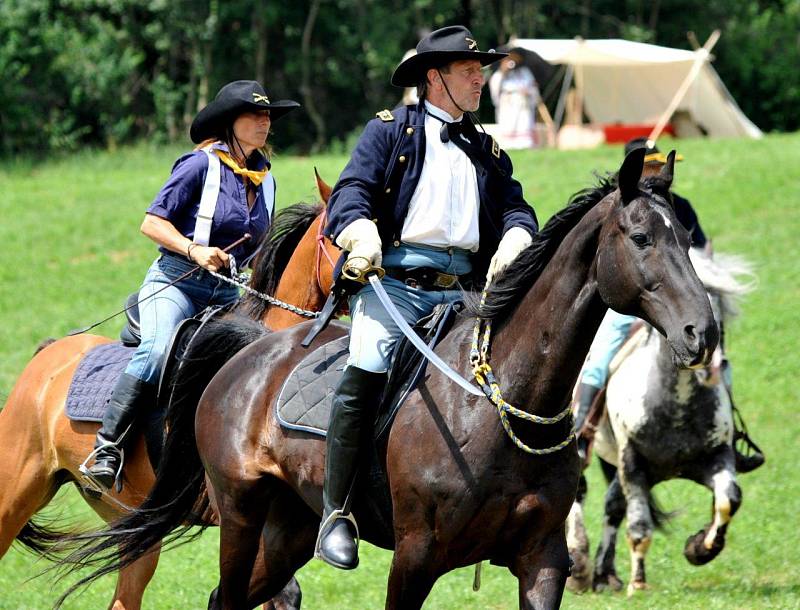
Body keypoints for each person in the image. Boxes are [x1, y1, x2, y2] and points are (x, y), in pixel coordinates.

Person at [316, 25, 539, 570]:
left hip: (464, 294)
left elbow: (517, 207)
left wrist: (516, 235)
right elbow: (350, 193)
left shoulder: (486, 147)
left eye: (480, 69)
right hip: (394, 287)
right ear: (435, 77)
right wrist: (360, 233)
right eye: (470, 71)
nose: (480, 79)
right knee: (365, 368)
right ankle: (335, 511)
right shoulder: (388, 131)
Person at [83, 80, 300, 491]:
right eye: (254, 114)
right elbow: (151, 223)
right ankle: (107, 446)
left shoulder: (266, 179)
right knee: (158, 348)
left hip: (225, 294)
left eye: (268, 115)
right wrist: (194, 250)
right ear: (229, 123)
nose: (264, 121)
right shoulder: (199, 165)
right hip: (176, 283)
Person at [573, 138, 764, 473]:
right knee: (601, 355)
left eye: (660, 166)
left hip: (677, 301)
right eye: (651, 166)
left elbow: (703, 252)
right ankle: (582, 434)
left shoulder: (681, 206)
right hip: (636, 300)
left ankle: (730, 434)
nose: (657, 172)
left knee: (720, 359)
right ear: (635, 171)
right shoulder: (621, 206)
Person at [488, 50, 539, 149]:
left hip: (523, 103)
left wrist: (529, 91)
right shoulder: (500, 73)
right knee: (509, 123)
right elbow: (495, 85)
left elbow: (533, 87)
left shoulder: (524, 72)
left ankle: (525, 144)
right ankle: (508, 144)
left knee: (523, 123)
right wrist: (503, 71)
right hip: (508, 102)